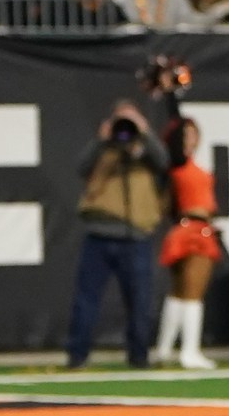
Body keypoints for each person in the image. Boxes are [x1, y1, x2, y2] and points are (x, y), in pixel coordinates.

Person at [67, 101, 168, 369]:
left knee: (140, 301)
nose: (124, 128)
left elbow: (164, 162)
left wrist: (144, 133)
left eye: (130, 121)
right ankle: (77, 355)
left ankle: (139, 356)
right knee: (86, 299)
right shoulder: (103, 150)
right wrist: (102, 142)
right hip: (99, 234)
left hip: (135, 236)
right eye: (120, 121)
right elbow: (81, 167)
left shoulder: (144, 152)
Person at [151, 115, 219, 370]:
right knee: (193, 293)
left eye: (194, 133)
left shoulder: (178, 167)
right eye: (186, 134)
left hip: (188, 229)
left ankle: (165, 349)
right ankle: (189, 351)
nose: (191, 139)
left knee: (179, 292)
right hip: (194, 230)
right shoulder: (177, 168)